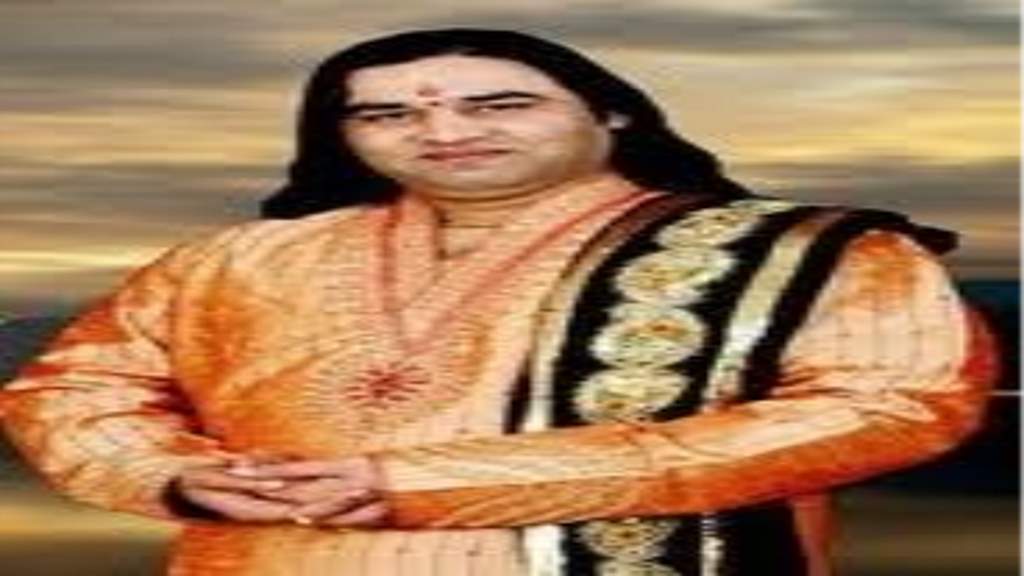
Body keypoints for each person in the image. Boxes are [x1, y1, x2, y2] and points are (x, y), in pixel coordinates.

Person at [1, 28, 996, 576]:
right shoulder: (238, 259)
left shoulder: (805, 252)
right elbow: (73, 391)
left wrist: (422, 481)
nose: (441, 132)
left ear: (612, 115)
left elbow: (895, 406)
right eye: (387, 113)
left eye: (499, 103)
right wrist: (178, 477)